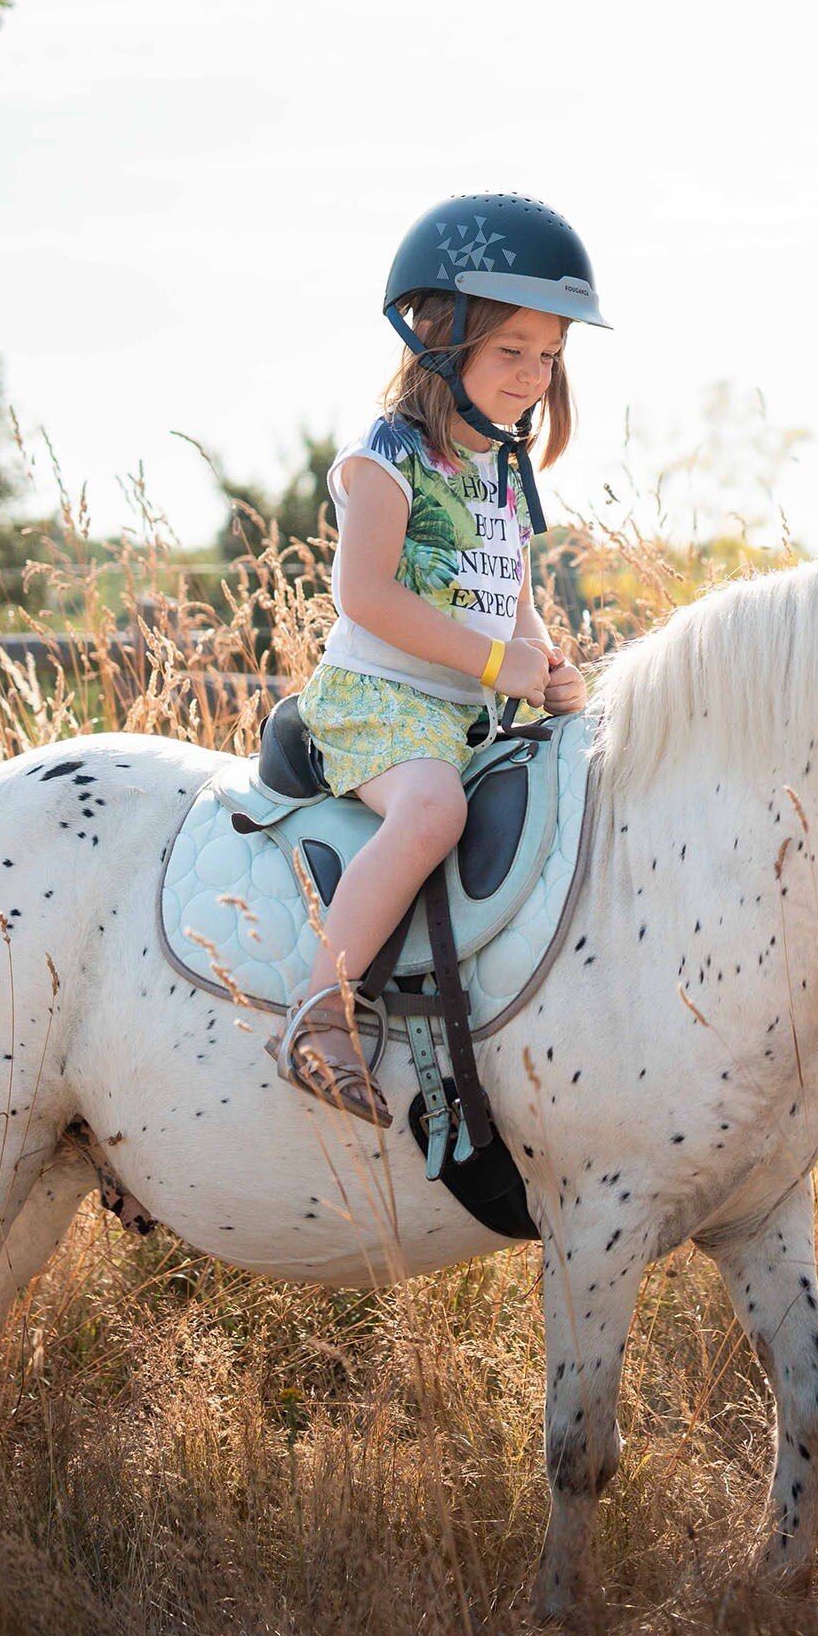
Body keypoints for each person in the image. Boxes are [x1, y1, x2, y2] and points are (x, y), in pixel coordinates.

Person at [272, 193, 602, 1120]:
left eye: (550, 354)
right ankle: (320, 1009)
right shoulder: (384, 458)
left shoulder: (502, 467)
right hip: (378, 697)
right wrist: (496, 666)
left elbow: (511, 598)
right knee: (431, 812)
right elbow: (365, 595)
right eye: (513, 351)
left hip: (468, 707)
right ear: (437, 343)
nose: (536, 373)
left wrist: (547, 663)